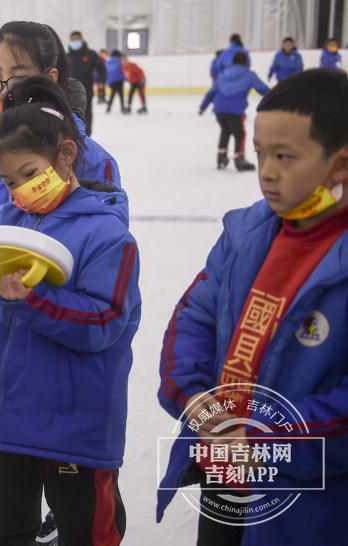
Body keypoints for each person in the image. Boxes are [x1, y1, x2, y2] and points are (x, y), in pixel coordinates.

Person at [0, 21, 124, 546]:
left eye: (18, 74)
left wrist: (39, 293)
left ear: (49, 77)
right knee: (10, 454)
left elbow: (104, 285)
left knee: (77, 498)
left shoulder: (89, 159)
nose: (4, 86)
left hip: (67, 362)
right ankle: (4, 520)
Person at [157, 68, 348, 546]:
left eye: (285, 157)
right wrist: (192, 397)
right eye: (261, 153)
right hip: (225, 468)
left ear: (339, 165)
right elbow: (193, 317)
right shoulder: (247, 235)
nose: (265, 170)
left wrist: (264, 442)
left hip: (310, 498)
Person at [199, 52, 269, 171]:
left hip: (219, 109)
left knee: (225, 130)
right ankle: (239, 158)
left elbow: (211, 92)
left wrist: (203, 107)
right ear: (246, 62)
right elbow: (263, 89)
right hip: (235, 109)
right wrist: (276, 99)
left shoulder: (223, 74)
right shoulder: (249, 74)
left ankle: (221, 156)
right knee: (240, 134)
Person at [68, 31, 107, 134]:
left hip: (86, 91)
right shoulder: (67, 56)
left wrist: (102, 82)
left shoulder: (91, 54)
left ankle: (86, 136)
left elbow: (101, 68)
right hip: (69, 91)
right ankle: (72, 136)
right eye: (73, 40)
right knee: (69, 115)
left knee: (86, 114)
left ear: (81, 40)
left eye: (77, 39)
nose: (74, 41)